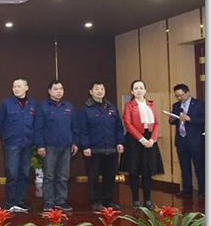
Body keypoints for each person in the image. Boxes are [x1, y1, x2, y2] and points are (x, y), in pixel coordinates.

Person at [78, 82, 125, 211]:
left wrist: (120, 142)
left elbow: (118, 127)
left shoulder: (112, 108)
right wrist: (85, 146)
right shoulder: (85, 109)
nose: (100, 91)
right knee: (93, 177)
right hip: (93, 149)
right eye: (97, 89)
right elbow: (82, 129)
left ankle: (108, 200)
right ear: (91, 92)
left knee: (110, 176)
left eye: (102, 89)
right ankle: (95, 200)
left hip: (110, 148)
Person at [34, 80, 80, 211]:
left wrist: (75, 142)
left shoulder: (69, 107)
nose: (59, 91)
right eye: (56, 89)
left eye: (61, 89)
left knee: (63, 176)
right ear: (49, 91)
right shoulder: (42, 106)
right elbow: (38, 127)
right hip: (49, 146)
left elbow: (75, 126)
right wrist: (40, 145)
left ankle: (61, 200)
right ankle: (49, 201)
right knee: (49, 176)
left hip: (66, 146)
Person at [120, 80, 165, 210]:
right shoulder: (129, 105)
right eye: (136, 88)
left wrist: (153, 139)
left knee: (147, 171)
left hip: (149, 139)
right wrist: (141, 139)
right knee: (134, 171)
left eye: (141, 88)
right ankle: (135, 199)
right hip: (134, 140)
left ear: (145, 90)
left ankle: (148, 200)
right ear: (132, 91)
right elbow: (128, 124)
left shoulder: (150, 105)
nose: (139, 90)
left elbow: (156, 123)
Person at [0, 78, 37, 212]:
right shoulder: (6, 104)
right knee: (12, 173)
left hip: (27, 144)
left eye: (19, 86)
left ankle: (20, 201)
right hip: (12, 143)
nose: (16, 89)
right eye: (14, 87)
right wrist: (6, 137)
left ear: (26, 87)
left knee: (24, 174)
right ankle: (9, 203)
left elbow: (36, 123)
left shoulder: (33, 104)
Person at [170, 83, 205, 199]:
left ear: (187, 92)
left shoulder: (200, 104)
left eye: (181, 95)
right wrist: (172, 119)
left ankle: (203, 191)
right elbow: (173, 121)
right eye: (177, 96)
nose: (179, 98)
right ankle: (187, 189)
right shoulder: (176, 105)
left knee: (199, 166)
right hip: (181, 140)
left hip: (196, 141)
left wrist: (190, 119)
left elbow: (204, 119)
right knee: (184, 167)